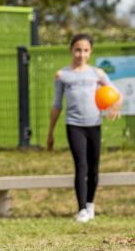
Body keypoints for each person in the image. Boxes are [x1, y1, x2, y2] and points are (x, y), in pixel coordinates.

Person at [46, 33, 123, 223]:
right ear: (71, 50)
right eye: (78, 50)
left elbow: (117, 94)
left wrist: (115, 105)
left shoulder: (97, 74)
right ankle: (81, 209)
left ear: (91, 52)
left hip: (94, 125)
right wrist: (50, 133)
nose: (81, 54)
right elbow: (57, 105)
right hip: (74, 126)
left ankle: (89, 204)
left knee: (94, 168)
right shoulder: (62, 75)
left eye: (86, 50)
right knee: (81, 165)